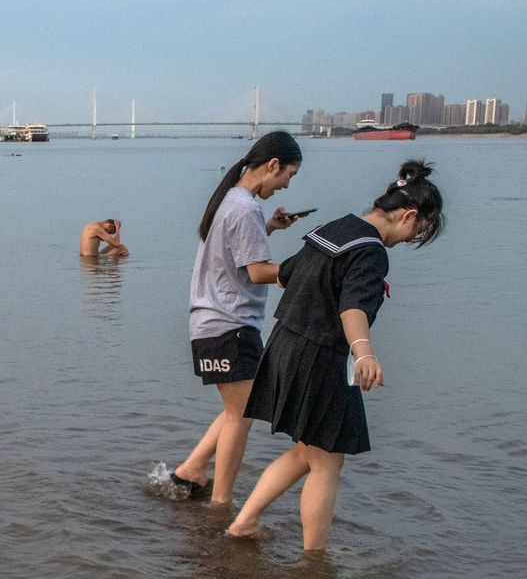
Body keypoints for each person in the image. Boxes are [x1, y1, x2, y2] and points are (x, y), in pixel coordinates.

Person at [227, 161, 445, 550]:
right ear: (409, 215)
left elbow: (287, 274)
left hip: (285, 345)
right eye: (417, 232)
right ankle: (316, 566)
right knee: (328, 463)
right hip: (320, 356)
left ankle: (244, 523)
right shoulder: (372, 251)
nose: (409, 240)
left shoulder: (335, 228)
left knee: (304, 454)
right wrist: (364, 354)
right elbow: (352, 308)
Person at [170, 131, 303, 505]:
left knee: (237, 409)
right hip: (229, 326)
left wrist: (270, 228)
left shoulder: (230, 200)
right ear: (272, 165)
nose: (285, 186)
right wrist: (305, 271)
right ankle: (221, 505)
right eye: (288, 176)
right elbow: (257, 272)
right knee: (241, 416)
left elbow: (232, 251)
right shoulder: (245, 208)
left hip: (211, 323)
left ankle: (191, 470)